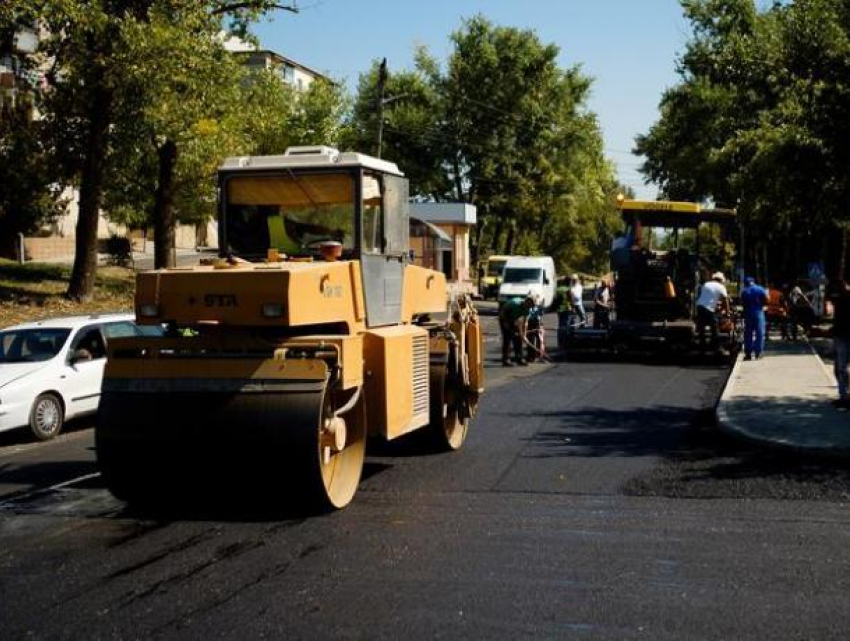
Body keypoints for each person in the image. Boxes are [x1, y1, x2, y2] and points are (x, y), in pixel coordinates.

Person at [695, 272, 729, 353]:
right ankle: (717, 348)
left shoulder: (706, 284)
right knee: (715, 327)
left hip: (700, 306)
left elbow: (706, 296)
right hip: (709, 308)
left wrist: (715, 304)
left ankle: (702, 347)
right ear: (721, 280)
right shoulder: (721, 287)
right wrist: (727, 312)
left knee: (701, 328)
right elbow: (725, 300)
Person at [499, 295, 535, 366]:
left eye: (531, 307)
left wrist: (524, 335)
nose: (529, 308)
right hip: (505, 317)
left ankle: (519, 358)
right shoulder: (514, 303)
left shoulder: (528, 309)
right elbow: (502, 312)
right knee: (507, 338)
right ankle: (505, 360)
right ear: (526, 302)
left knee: (518, 338)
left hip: (514, 320)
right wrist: (505, 323)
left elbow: (525, 323)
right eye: (529, 306)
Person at [830, 280, 850, 406]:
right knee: (840, 368)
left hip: (843, 337)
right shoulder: (839, 300)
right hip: (840, 336)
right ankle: (844, 396)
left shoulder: (841, 300)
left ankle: (845, 397)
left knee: (841, 368)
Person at [740, 276, 768, 360]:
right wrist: (762, 304)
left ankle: (748, 354)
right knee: (759, 333)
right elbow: (767, 299)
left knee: (748, 334)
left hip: (748, 314)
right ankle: (758, 353)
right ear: (753, 281)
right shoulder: (760, 289)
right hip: (758, 313)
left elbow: (743, 303)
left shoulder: (744, 291)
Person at [525, 296, 544, 362]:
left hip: (537, 323)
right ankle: (531, 356)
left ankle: (539, 355)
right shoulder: (528, 308)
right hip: (530, 323)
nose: (533, 303)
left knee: (540, 340)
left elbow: (539, 317)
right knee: (530, 340)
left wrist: (539, 326)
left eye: (534, 301)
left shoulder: (538, 307)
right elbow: (527, 317)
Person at [554, 277, 572, 349]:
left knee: (560, 325)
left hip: (559, 310)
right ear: (569, 282)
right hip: (566, 309)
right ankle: (565, 343)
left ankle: (560, 343)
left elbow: (555, 299)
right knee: (566, 326)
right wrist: (573, 308)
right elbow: (570, 299)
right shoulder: (568, 289)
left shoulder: (558, 289)